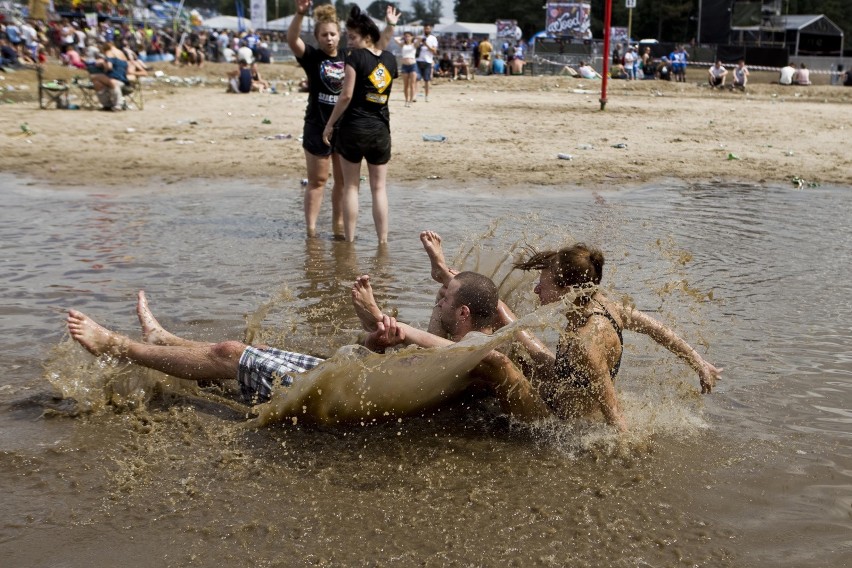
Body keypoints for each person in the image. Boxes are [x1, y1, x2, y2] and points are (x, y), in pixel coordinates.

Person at [495, 243, 721, 432]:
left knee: (497, 363)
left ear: (569, 289)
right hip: (562, 383)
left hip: (564, 420)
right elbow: (658, 331)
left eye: (542, 285)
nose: (536, 290)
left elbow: (614, 413)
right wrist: (699, 363)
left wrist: (627, 465)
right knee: (515, 346)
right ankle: (496, 305)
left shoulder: (586, 344)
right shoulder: (603, 305)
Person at [322, 6, 399, 244]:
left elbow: (345, 95)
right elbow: (380, 49)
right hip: (380, 131)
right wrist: (391, 25)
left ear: (366, 36)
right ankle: (383, 242)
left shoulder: (354, 58)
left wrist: (329, 124)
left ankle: (350, 241)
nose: (349, 41)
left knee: (351, 188)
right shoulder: (389, 59)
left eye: (352, 37)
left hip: (353, 129)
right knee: (379, 189)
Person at [415, 23, 438, 102]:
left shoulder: (433, 38)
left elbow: (434, 51)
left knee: (427, 80)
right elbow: (414, 47)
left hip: (428, 61)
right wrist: (419, 41)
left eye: (428, 28)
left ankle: (427, 96)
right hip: (418, 60)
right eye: (425, 28)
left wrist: (426, 44)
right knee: (417, 79)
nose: (426, 30)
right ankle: (415, 96)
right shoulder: (420, 37)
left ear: (430, 29)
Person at [394, 31, 417, 106]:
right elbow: (395, 39)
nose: (407, 37)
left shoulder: (414, 44)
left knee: (412, 84)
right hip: (405, 65)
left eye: (408, 36)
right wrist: (402, 37)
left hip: (413, 65)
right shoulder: (402, 44)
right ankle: (406, 100)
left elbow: (420, 38)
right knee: (405, 85)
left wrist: (414, 37)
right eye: (406, 36)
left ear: (412, 37)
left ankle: (411, 100)